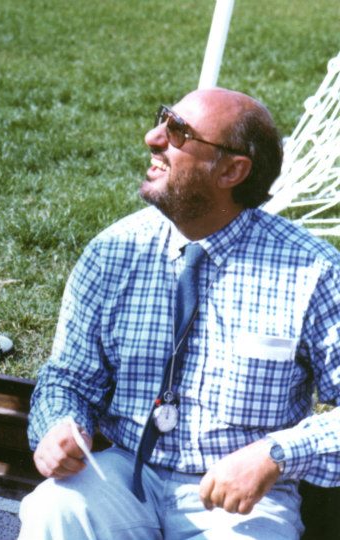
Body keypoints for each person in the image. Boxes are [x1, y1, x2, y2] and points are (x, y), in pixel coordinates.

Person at [19, 87, 340, 539]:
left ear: (231, 171)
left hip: (241, 500)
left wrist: (273, 455)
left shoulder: (313, 270)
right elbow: (68, 378)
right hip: (127, 472)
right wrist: (59, 425)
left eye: (178, 132)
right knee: (54, 508)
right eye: (162, 120)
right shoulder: (114, 250)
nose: (153, 138)